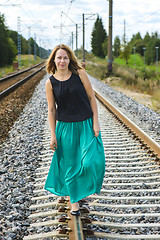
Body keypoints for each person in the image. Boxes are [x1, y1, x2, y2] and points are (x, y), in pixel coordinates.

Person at [44, 44, 105, 216]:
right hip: (65, 128)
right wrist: (53, 135)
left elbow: (92, 97)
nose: (62, 60)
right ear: (54, 60)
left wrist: (96, 122)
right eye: (59, 57)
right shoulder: (50, 83)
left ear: (69, 59)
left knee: (90, 161)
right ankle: (74, 203)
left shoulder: (80, 74)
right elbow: (51, 110)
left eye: (65, 57)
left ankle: (82, 190)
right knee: (70, 166)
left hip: (85, 124)